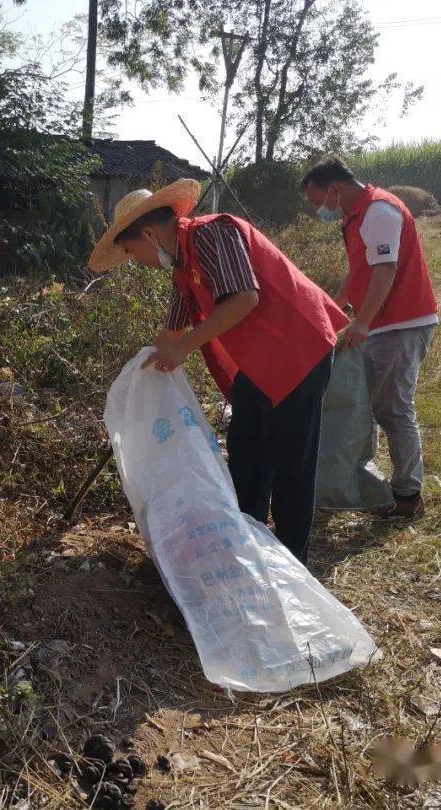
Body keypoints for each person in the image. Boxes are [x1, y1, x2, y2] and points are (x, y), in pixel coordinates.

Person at [89, 179, 348, 566]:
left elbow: (244, 298)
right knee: (246, 455)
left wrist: (183, 348)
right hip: (259, 361)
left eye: (131, 251)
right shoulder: (182, 265)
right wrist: (136, 385)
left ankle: (294, 562)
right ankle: (247, 549)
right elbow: (171, 331)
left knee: (292, 464)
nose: (137, 261)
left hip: (299, 348)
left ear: (147, 233)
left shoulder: (213, 233)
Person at [301, 156, 438, 520]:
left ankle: (408, 495)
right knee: (370, 404)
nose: (319, 209)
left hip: (401, 324)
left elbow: (385, 269)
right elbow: (359, 271)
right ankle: (369, 481)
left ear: (334, 188)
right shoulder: (356, 215)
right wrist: (332, 310)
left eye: (318, 201)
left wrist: (360, 323)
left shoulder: (378, 211)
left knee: (393, 409)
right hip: (380, 324)